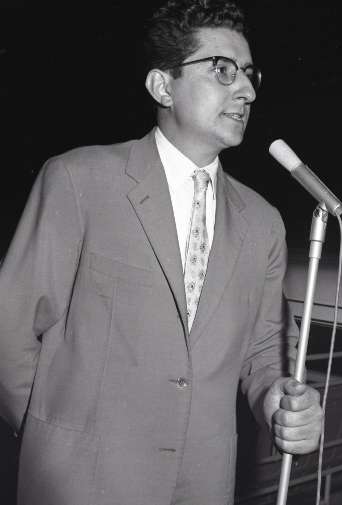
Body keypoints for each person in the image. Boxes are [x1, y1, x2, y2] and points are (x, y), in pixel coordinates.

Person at [0, 1, 323, 504]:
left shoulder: (263, 223)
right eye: (223, 69)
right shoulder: (79, 180)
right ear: (163, 87)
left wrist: (278, 400)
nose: (247, 90)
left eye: (249, 74)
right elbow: (9, 331)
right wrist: (55, 442)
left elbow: (265, 350)